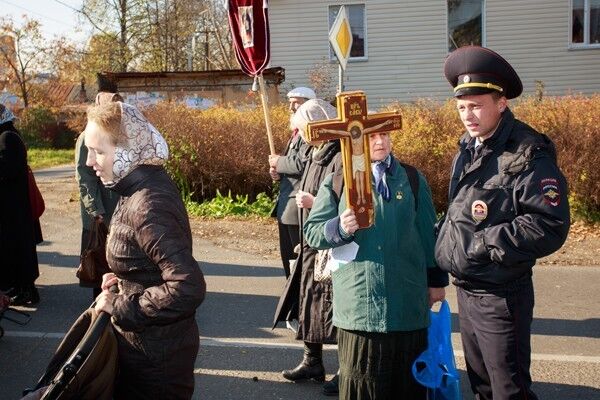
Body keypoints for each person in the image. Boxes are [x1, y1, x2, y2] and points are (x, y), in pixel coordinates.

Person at [435, 45, 571, 400]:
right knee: (480, 385)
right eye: (462, 107)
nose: (468, 115)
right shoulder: (470, 145)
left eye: (477, 105)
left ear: (502, 103)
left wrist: (484, 244)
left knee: (508, 390)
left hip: (500, 294)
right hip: (467, 287)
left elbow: (549, 224)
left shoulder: (527, 152)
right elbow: (462, 209)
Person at [304, 129, 448, 399]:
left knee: (407, 387)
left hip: (407, 307)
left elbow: (429, 235)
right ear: (354, 141)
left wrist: (436, 282)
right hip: (360, 310)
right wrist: (339, 228)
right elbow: (312, 232)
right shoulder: (338, 179)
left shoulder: (412, 179)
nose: (380, 142)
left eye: (384, 135)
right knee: (363, 386)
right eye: (371, 137)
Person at [85, 101, 206, 399]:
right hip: (147, 348)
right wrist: (123, 279)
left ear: (127, 151)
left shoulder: (148, 203)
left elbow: (186, 286)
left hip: (156, 359)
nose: (90, 161)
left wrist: (123, 306)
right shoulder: (133, 189)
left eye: (99, 151)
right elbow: (150, 259)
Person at [272, 99, 342, 395]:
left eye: (304, 129)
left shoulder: (341, 155)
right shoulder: (317, 152)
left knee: (335, 306)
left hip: (333, 241)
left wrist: (315, 204)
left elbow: (347, 196)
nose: (302, 136)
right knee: (309, 299)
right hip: (310, 240)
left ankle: (345, 369)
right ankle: (312, 360)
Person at [269, 86, 315, 332]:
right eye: (290, 102)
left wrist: (280, 162)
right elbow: (291, 169)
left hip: (298, 210)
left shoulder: (310, 133)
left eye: (296, 102)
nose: (291, 107)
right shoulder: (295, 133)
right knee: (289, 263)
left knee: (298, 264)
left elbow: (303, 163)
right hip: (285, 207)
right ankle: (294, 309)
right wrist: (277, 173)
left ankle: (301, 312)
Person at [75, 92, 121, 299]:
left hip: (116, 210)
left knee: (116, 263)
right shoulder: (88, 136)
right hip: (101, 214)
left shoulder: (115, 132)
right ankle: (100, 311)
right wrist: (96, 210)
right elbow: (85, 177)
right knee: (99, 265)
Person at [0, 104, 42, 306]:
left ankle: (27, 291)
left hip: (13, 207)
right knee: (16, 249)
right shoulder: (9, 135)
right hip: (14, 206)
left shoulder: (7, 137)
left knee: (18, 249)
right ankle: (20, 288)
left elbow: (8, 170)